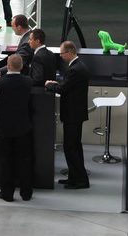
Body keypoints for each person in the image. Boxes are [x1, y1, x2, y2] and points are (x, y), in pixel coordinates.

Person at [0, 54, 34, 202]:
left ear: (8, 66)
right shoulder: (28, 82)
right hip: (23, 127)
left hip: (2, 128)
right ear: (21, 66)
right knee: (24, 160)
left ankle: (7, 193)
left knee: (5, 161)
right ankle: (26, 193)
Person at [45, 41, 90, 190]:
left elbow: (63, 89)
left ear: (70, 52)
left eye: (62, 53)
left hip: (73, 115)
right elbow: (67, 85)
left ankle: (80, 180)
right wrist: (56, 83)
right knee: (74, 146)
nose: (61, 56)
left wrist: (50, 85)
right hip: (75, 114)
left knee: (71, 147)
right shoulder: (78, 67)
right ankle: (74, 177)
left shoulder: (75, 69)